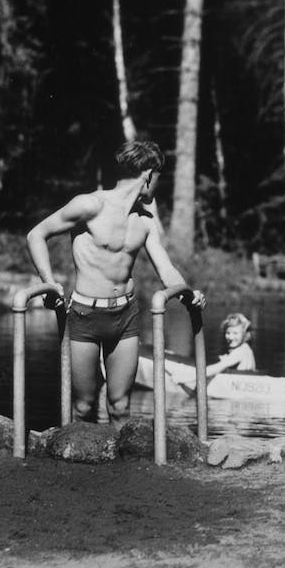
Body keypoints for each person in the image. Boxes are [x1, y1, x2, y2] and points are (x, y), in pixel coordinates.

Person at [26, 139, 206, 429]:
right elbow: (36, 235)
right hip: (84, 314)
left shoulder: (145, 221)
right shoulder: (90, 205)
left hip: (125, 317)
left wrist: (189, 295)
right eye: (157, 178)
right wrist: (50, 283)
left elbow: (166, 269)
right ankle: (79, 471)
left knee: (120, 406)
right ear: (149, 175)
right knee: (83, 406)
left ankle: (120, 471)